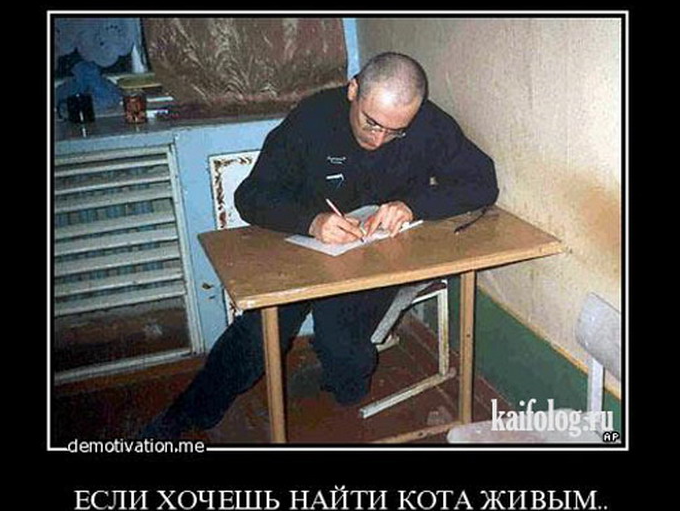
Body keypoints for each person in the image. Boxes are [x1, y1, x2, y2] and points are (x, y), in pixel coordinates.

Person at [140, 52, 499, 440]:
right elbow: (251, 197)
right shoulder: (312, 118)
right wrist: (311, 222)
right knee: (259, 331)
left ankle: (340, 379)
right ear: (353, 90)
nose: (378, 139)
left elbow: (482, 182)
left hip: (377, 256)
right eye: (371, 123)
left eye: (395, 131)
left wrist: (413, 206)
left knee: (341, 348)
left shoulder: (428, 124)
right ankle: (186, 415)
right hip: (304, 247)